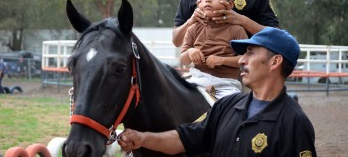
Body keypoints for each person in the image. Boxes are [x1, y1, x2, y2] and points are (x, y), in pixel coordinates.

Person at [118, 27, 317, 157]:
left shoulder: (295, 123)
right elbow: (182, 139)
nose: (241, 60)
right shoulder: (226, 105)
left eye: (251, 53)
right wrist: (143, 138)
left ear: (275, 62)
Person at [180, 0, 248, 99]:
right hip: (197, 79)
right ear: (198, 3)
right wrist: (190, 52)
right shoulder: (193, 28)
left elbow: (245, 60)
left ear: (230, 4)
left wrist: (222, 60)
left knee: (231, 110)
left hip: (226, 85)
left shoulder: (237, 30)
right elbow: (184, 60)